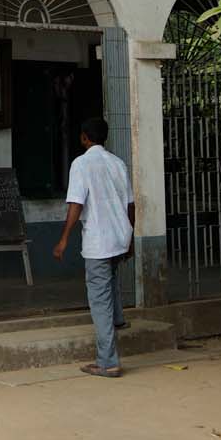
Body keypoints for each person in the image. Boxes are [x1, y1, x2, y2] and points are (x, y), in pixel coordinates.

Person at [52, 118, 135, 378]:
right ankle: (118, 320)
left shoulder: (81, 164)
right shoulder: (118, 163)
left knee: (99, 299)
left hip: (99, 240)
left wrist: (64, 238)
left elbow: (76, 204)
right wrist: (130, 237)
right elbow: (131, 204)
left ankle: (107, 361)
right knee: (112, 279)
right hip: (120, 236)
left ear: (85, 138)